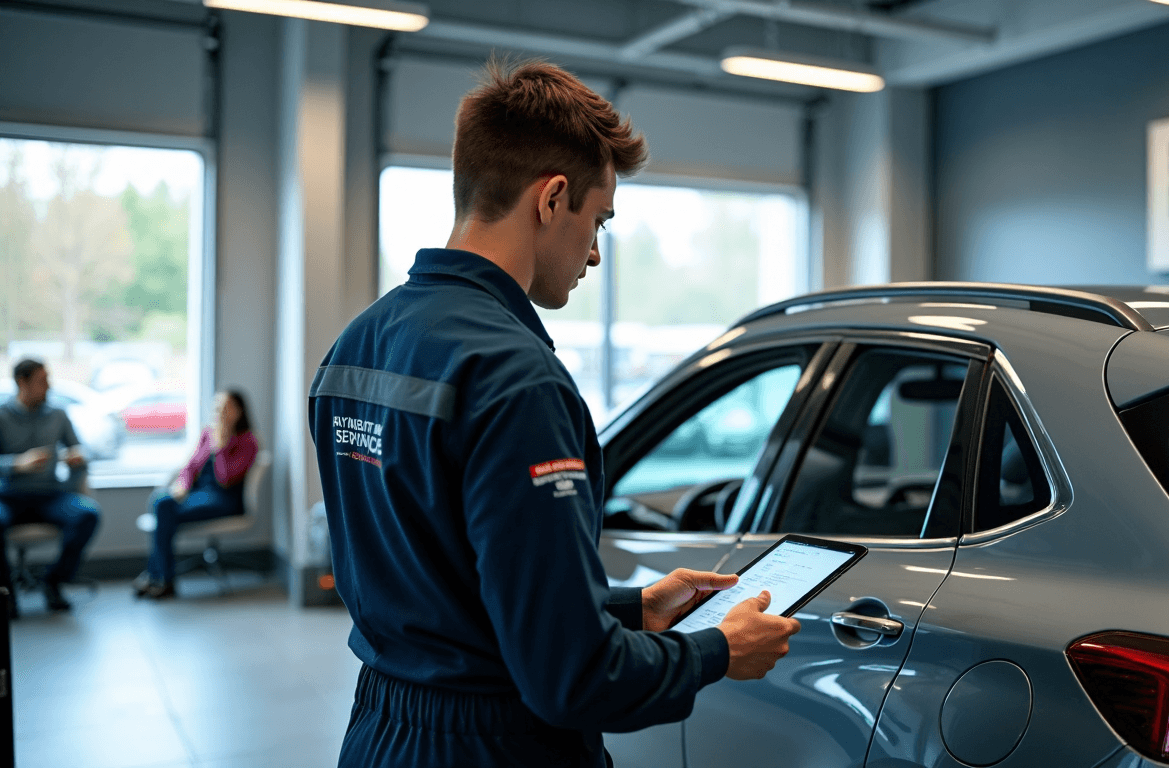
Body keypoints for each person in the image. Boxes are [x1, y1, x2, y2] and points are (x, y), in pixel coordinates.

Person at [307, 58, 800, 767]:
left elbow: (448, 589)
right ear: (551, 199)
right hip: (494, 748)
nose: (595, 253)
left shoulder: (354, 347)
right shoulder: (516, 379)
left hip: (381, 732)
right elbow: (571, 679)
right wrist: (717, 652)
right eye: (598, 220)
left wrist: (633, 611)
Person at [135, 389, 258, 599]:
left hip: (224, 499)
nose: (220, 413)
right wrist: (182, 485)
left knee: (164, 510)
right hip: (200, 493)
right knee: (161, 500)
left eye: (226, 408)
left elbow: (225, 477)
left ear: (239, 411)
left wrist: (221, 446)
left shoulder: (248, 442)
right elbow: (191, 466)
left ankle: (161, 577)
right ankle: (159, 574)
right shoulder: (207, 434)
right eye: (217, 408)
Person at [0, 359, 101, 616]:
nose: (49, 386)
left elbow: (80, 450)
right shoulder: (2, 416)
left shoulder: (58, 415)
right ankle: (6, 592)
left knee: (87, 514)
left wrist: (78, 461)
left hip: (50, 495)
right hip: (9, 496)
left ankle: (54, 582)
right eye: (42, 381)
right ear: (22, 382)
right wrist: (16, 464)